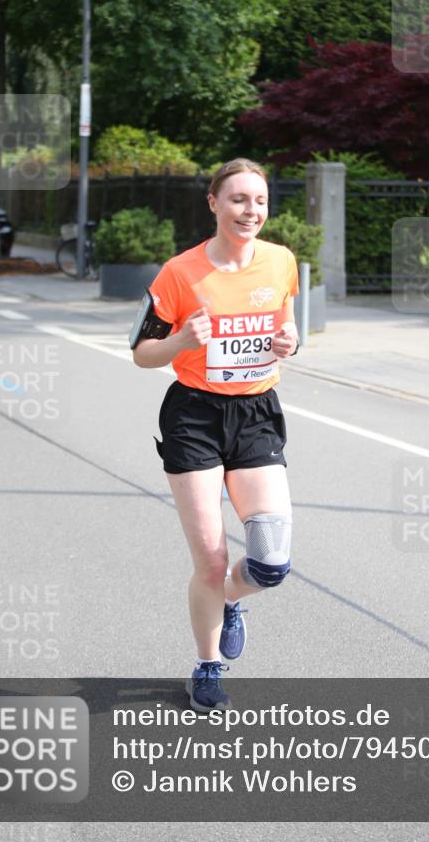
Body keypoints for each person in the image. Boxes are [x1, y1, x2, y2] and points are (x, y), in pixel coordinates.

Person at [132, 158, 299, 711]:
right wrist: (181, 342)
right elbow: (140, 353)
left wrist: (289, 342)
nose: (250, 211)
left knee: (271, 563)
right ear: (213, 203)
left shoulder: (281, 262)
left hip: (255, 413)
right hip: (194, 417)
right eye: (238, 200)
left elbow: (286, 326)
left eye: (259, 201)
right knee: (208, 559)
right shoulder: (179, 274)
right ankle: (207, 666)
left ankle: (230, 600)